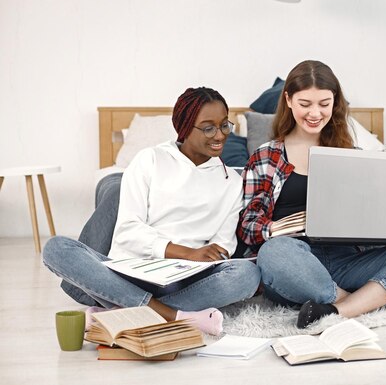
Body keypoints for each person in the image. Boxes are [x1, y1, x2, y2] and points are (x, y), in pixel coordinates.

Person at [238, 60, 386, 328]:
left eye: (324, 104)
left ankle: (336, 310)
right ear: (289, 100)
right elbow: (247, 227)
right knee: (273, 253)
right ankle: (366, 301)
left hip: (349, 262)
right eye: (305, 104)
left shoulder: (353, 157)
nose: (315, 113)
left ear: (335, 102)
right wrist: (279, 228)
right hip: (297, 264)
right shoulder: (265, 156)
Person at [43, 87, 261, 335]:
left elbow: (223, 244)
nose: (220, 135)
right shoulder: (150, 159)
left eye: (224, 125)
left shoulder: (232, 182)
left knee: (247, 274)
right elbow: (127, 230)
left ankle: (120, 312)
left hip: (185, 281)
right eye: (208, 127)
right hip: (131, 272)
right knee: (57, 248)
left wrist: (208, 259)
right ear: (185, 127)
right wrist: (188, 253)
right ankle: (172, 315)